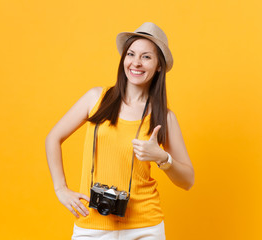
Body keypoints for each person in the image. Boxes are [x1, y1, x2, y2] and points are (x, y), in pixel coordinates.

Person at [45, 22, 194, 240]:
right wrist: (61, 189)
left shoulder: (165, 117)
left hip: (145, 226)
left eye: (146, 57)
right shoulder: (96, 98)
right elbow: (53, 138)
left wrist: (163, 158)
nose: (136, 62)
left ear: (159, 66)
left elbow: (187, 180)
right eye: (131, 54)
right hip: (93, 223)